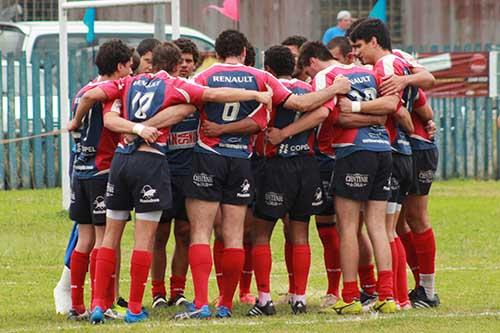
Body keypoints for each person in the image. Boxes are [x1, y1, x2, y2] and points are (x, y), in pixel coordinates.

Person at [76, 41, 273, 324]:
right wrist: (254, 93)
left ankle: (97, 303)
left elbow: (98, 101)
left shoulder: (128, 83)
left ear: (153, 63)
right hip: (151, 162)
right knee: (146, 239)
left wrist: (81, 121)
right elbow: (214, 94)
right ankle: (133, 308)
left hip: (120, 162)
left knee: (109, 236)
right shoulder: (176, 86)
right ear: (173, 67)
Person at [173, 29, 351, 320]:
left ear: (217, 53)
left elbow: (184, 106)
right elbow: (301, 105)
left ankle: (203, 302)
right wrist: (334, 89)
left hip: (209, 157)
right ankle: (227, 305)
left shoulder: (204, 76)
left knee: (202, 233)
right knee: (234, 235)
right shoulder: (260, 78)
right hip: (242, 161)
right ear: (244, 52)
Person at [297, 40, 402, 314]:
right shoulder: (368, 72)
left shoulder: (326, 76)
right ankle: (387, 296)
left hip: (353, 152)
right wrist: (372, 119)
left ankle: (350, 297)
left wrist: (352, 115)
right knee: (377, 226)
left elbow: (330, 116)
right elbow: (386, 111)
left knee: (347, 227)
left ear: (312, 62)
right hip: (383, 150)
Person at [349, 18, 438, 309]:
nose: (355, 55)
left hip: (404, 148)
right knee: (397, 226)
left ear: (374, 41)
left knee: (397, 224)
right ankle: (414, 292)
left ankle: (402, 296)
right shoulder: (399, 60)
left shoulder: (386, 66)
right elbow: (424, 96)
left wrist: (355, 107)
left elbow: (397, 106)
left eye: (358, 47)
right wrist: (423, 116)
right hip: (406, 148)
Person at [64, 40, 133, 321]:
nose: (131, 72)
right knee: (107, 242)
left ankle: (77, 305)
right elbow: (96, 104)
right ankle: (100, 305)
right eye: (129, 66)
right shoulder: (110, 91)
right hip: (102, 173)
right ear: (119, 67)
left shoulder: (81, 90)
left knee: (85, 239)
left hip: (80, 173)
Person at [150, 38, 201, 309]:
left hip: (190, 174)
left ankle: (177, 290)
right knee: (159, 234)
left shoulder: (199, 94)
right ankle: (157, 293)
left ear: (195, 64)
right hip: (161, 172)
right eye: (180, 60)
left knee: (185, 233)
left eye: (189, 61)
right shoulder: (159, 93)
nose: (184, 65)